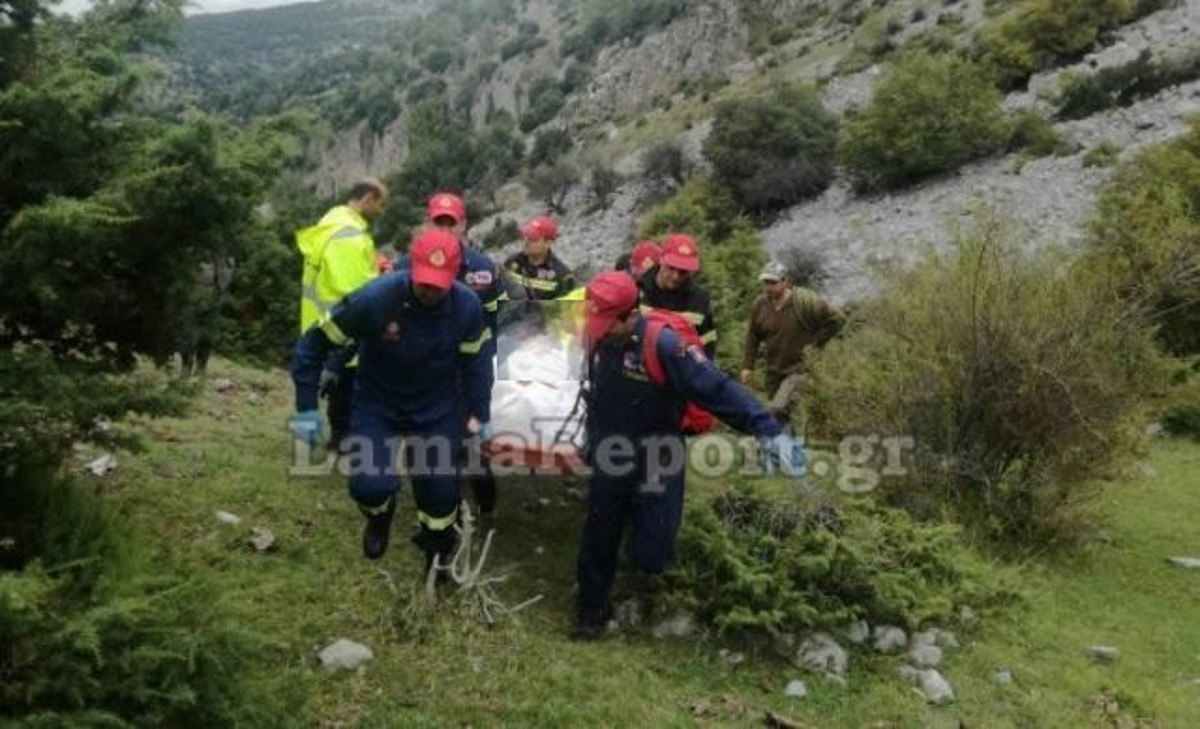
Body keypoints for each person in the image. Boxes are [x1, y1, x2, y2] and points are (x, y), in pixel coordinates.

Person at [572, 271, 804, 640]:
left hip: (659, 451)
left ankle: (640, 560)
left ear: (631, 315)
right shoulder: (597, 333)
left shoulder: (665, 345)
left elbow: (717, 388)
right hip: (610, 448)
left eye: (606, 324)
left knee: (653, 552)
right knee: (599, 531)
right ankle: (590, 610)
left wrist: (768, 430)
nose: (598, 331)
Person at [290, 229, 492, 570]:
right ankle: (380, 515)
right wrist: (307, 406)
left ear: (456, 276)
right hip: (378, 402)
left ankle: (437, 556)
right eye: (424, 281)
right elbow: (315, 344)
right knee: (368, 485)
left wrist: (479, 415)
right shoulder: (376, 299)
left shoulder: (467, 308)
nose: (430, 291)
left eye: (439, 284)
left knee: (440, 496)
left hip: (437, 408)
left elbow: (477, 366)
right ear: (410, 269)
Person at [397, 192, 509, 515]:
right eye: (438, 222)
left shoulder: (484, 269)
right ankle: (439, 509)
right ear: (427, 223)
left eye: (452, 222)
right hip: (424, 371)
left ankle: (481, 480)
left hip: (470, 367)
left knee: (472, 434)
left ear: (464, 225)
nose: (445, 229)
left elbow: (496, 318)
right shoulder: (406, 266)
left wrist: (489, 363)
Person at [295, 178, 389, 452]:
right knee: (347, 384)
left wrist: (375, 270)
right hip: (339, 326)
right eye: (380, 204)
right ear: (368, 198)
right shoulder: (349, 237)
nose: (381, 211)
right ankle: (343, 440)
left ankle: (337, 436)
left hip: (319, 320)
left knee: (336, 385)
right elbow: (355, 294)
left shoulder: (332, 225)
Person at [740, 260, 844, 427]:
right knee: (783, 419)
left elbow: (837, 319)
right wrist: (747, 366)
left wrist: (817, 343)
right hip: (774, 370)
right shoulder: (759, 305)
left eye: (773, 283)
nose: (768, 287)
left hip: (799, 369)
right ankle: (786, 450)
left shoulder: (805, 302)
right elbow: (753, 336)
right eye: (765, 282)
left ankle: (771, 446)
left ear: (785, 282)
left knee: (776, 409)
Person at [637, 233, 718, 358]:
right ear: (661, 259)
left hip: (680, 371)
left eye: (683, 272)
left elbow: (708, 342)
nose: (676, 277)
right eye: (671, 268)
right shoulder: (637, 290)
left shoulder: (700, 299)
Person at [503, 214, 577, 300]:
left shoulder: (562, 276)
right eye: (525, 235)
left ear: (548, 243)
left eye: (533, 238)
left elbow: (566, 311)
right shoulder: (512, 261)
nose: (526, 242)